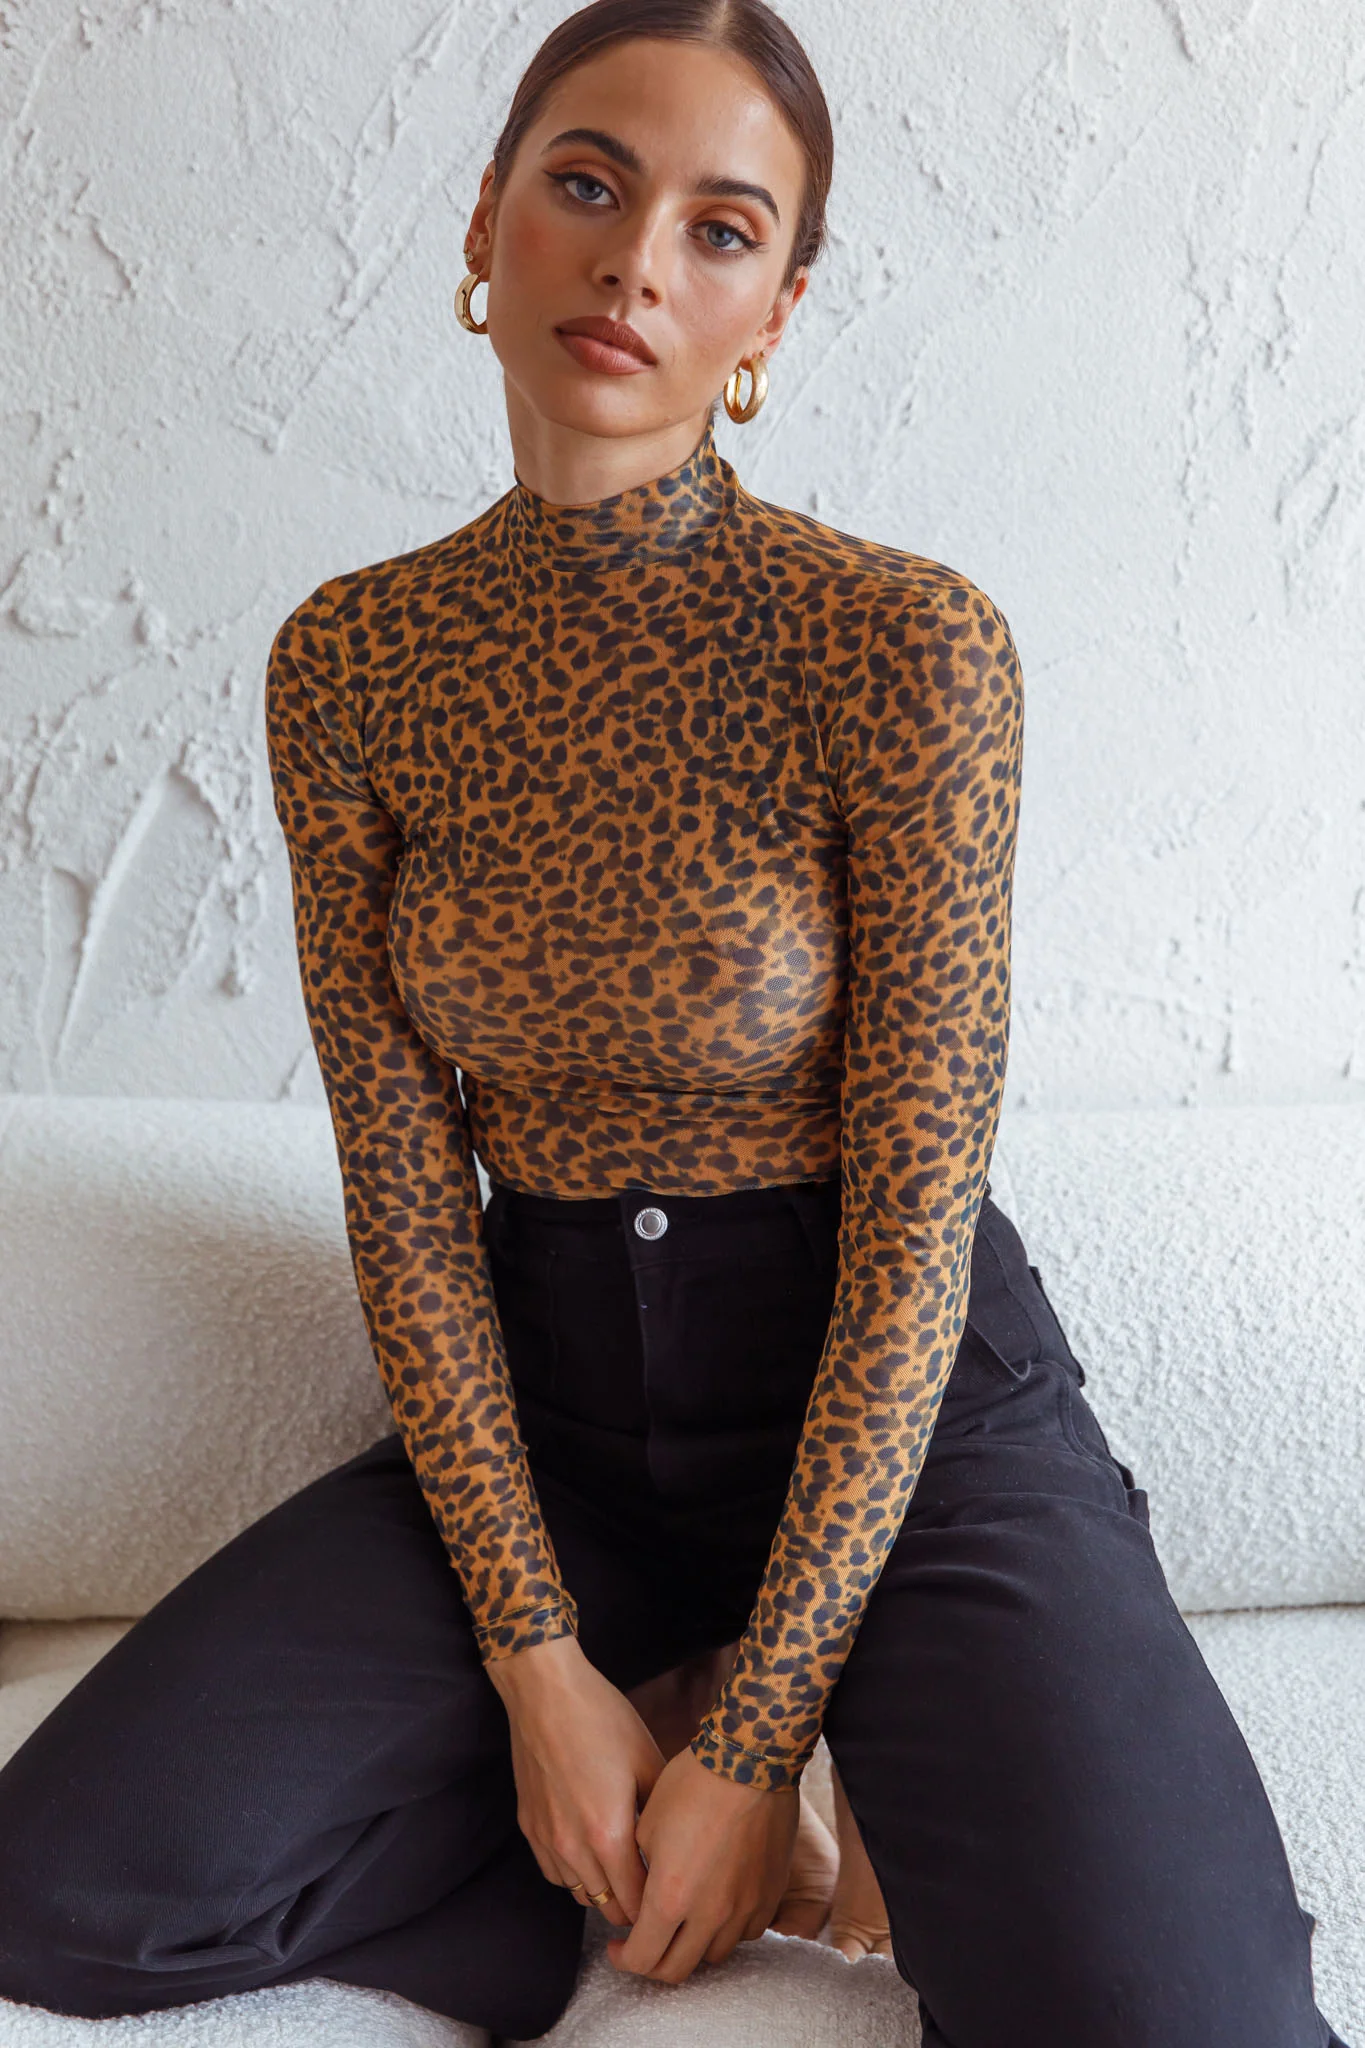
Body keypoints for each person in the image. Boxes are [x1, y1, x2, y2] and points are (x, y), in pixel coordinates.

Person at [0, 4, 1350, 2043]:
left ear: (773, 311)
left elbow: (916, 1213)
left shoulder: (901, 643)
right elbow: (404, 1192)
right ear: (489, 224)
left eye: (721, 229)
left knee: (1181, 2012)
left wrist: (759, 1739)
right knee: (65, 1887)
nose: (636, 263)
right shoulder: (354, 661)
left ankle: (859, 1710)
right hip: (559, 1416)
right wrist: (542, 1672)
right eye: (588, 185)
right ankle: (598, 1801)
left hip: (902, 1408)